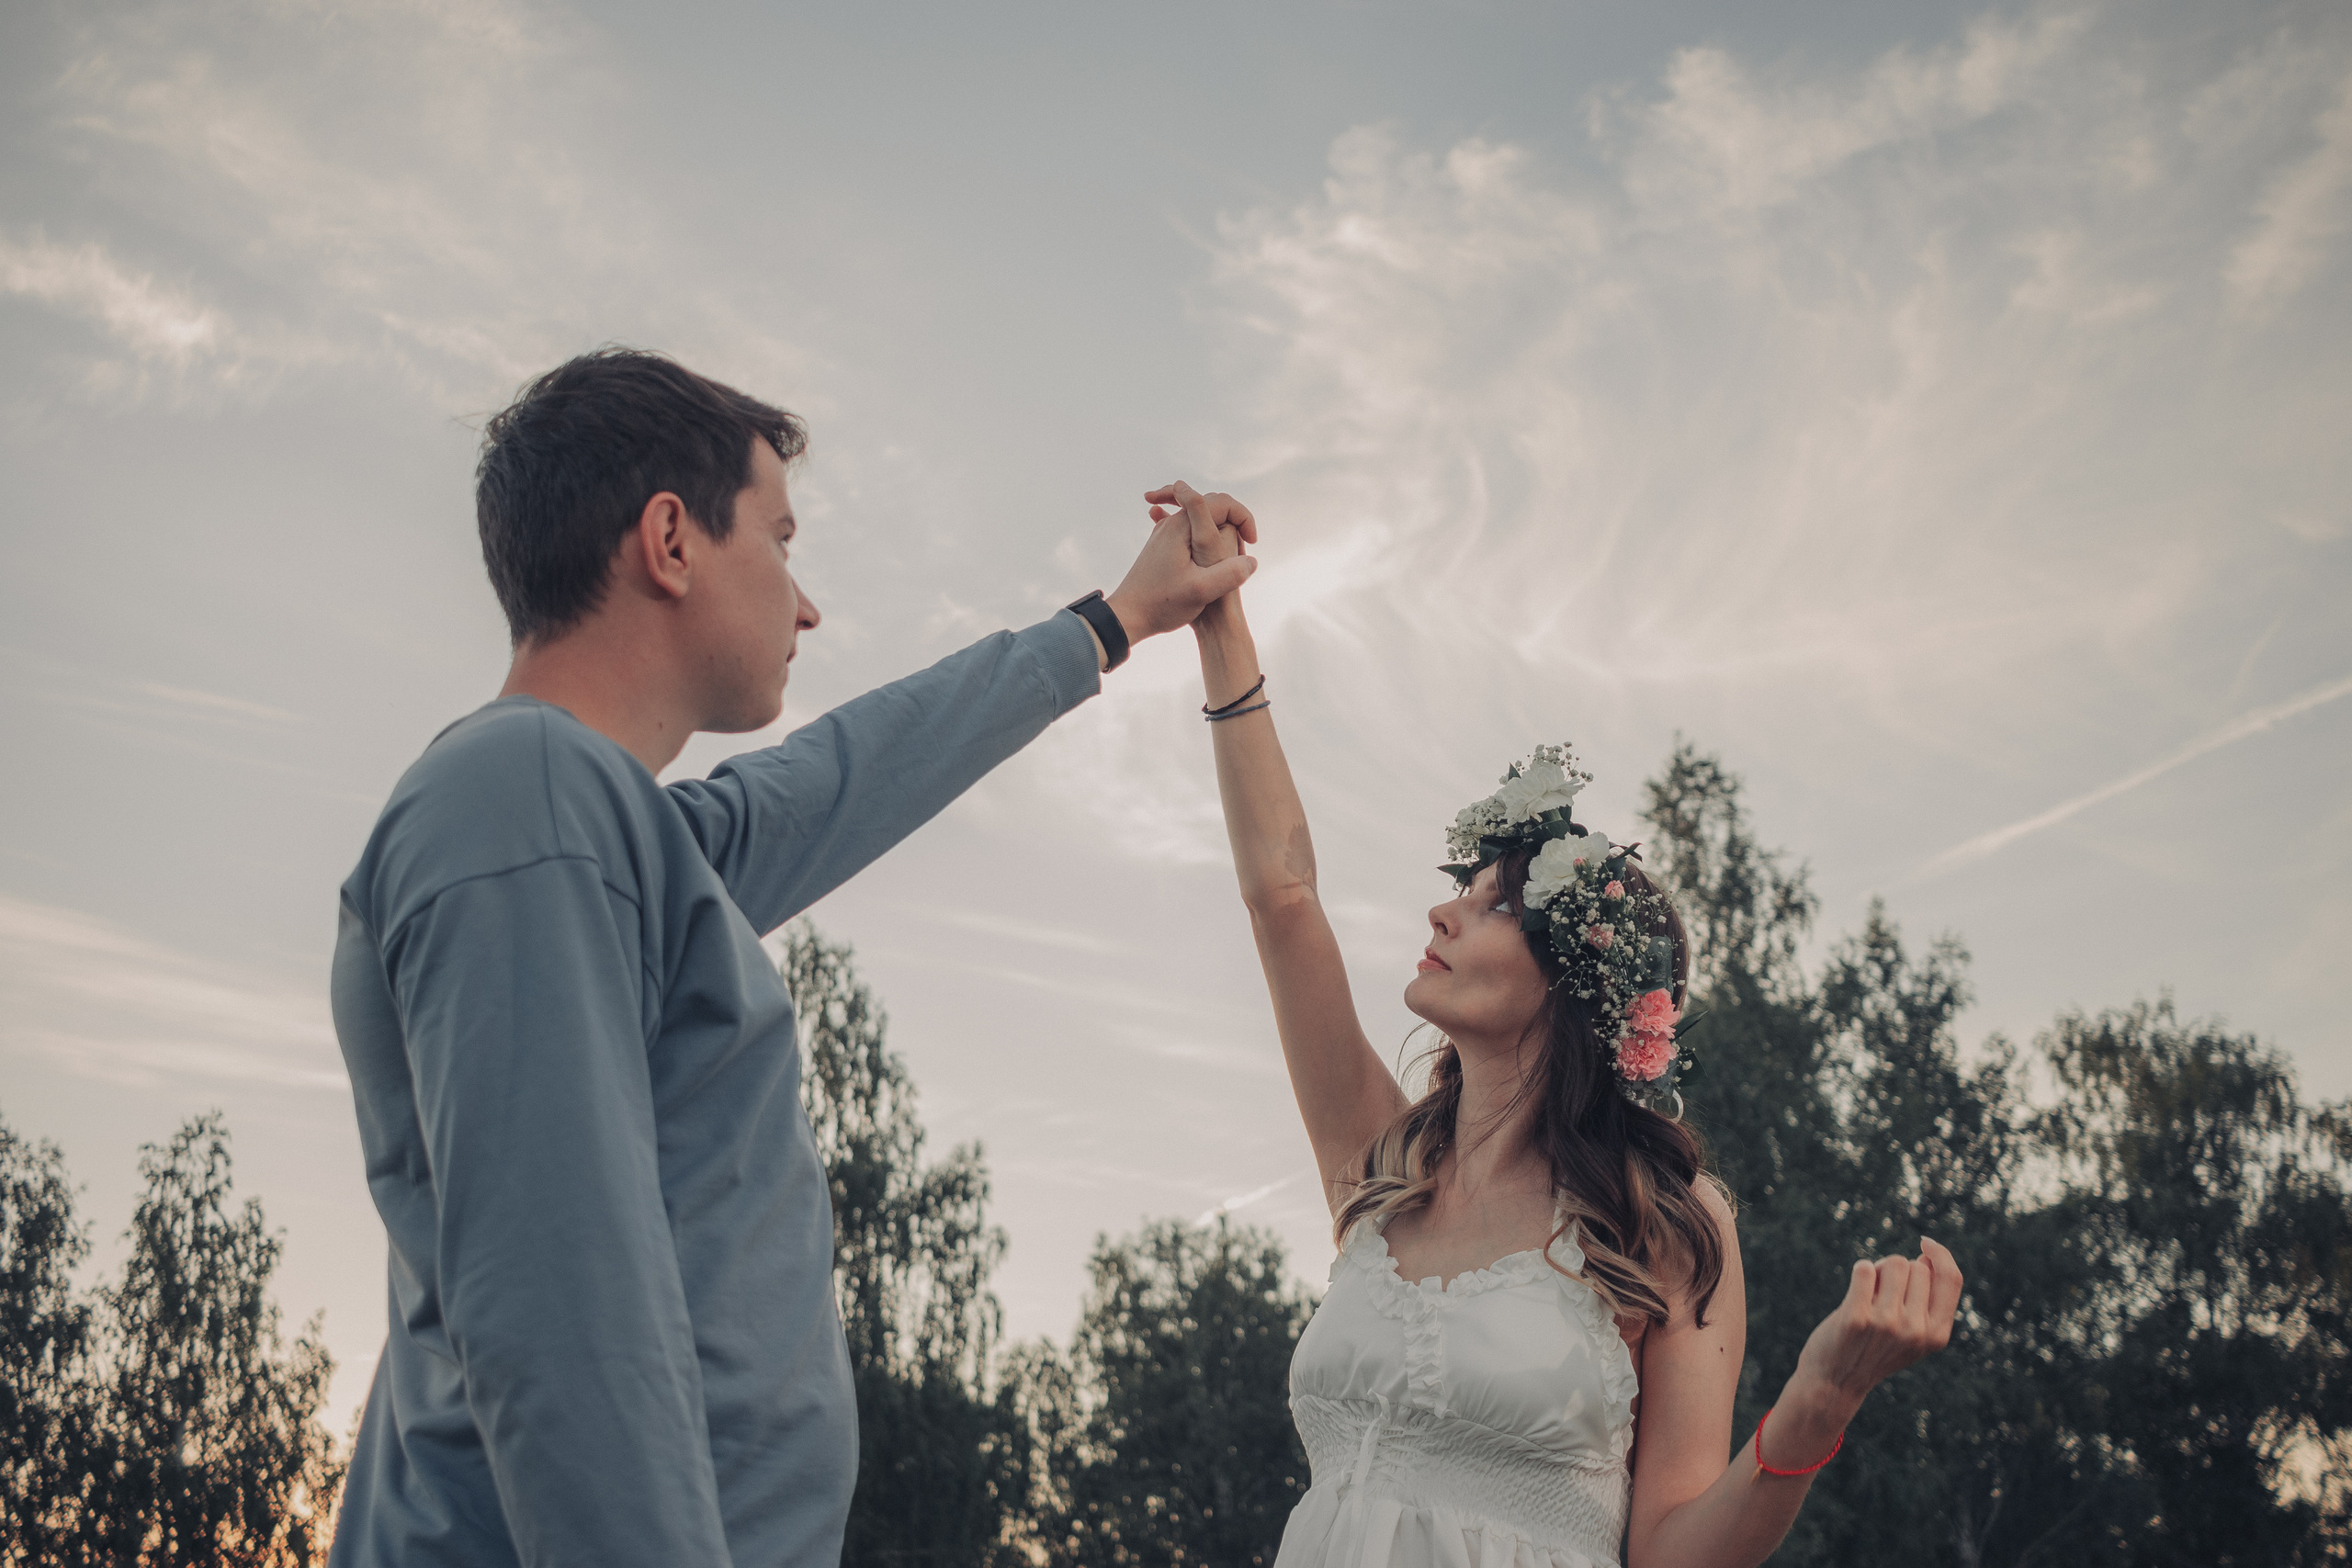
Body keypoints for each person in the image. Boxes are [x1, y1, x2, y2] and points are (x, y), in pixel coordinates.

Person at [327, 350, 1256, 1568]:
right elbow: (562, 1311)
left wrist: (1114, 621)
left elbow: (846, 774)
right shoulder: (526, 801)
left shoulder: (613, 831)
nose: (806, 604)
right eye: (781, 537)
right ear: (670, 540)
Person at [1156, 479, 1962, 1568]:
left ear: (1571, 983)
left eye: (1494, 903)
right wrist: (1221, 622)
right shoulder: (1379, 1165)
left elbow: (1674, 1555)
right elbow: (1283, 900)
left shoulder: (1666, 1222)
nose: (1444, 908)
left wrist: (1821, 1395)